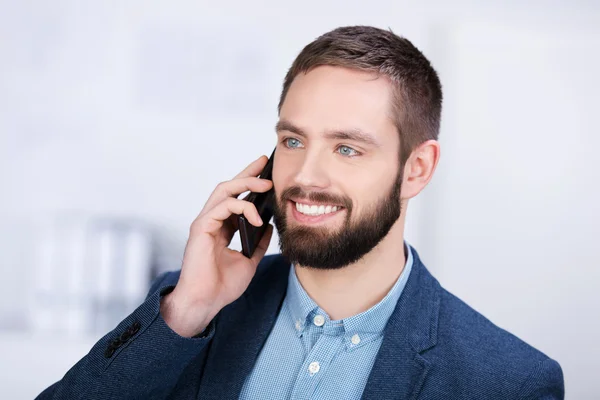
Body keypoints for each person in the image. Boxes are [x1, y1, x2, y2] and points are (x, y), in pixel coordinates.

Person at [36, 25, 564, 400]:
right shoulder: (189, 309)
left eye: (347, 148)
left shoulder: (508, 381)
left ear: (416, 169)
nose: (306, 175)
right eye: (293, 139)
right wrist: (186, 312)